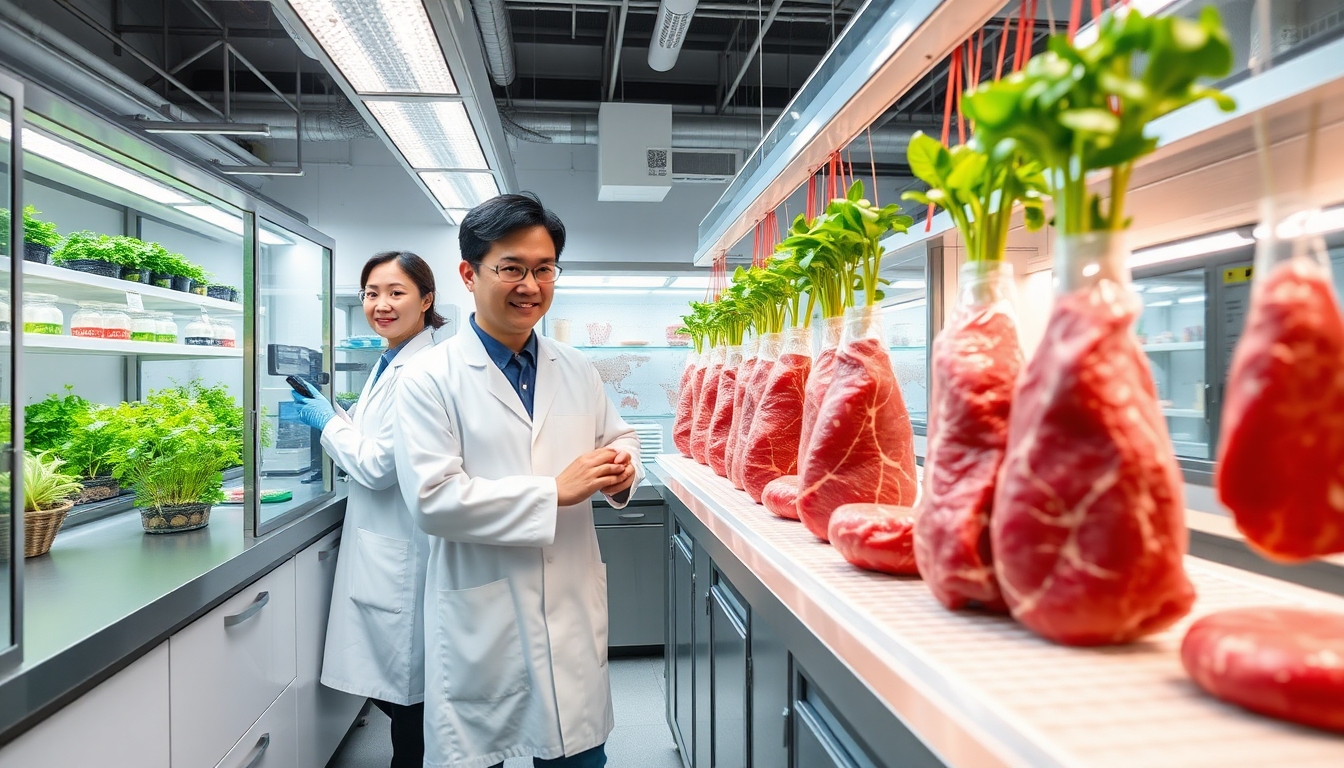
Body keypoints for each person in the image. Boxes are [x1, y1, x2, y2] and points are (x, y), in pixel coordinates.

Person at [393, 193, 642, 768]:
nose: (530, 285)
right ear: (469, 274)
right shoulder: (429, 377)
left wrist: (621, 468)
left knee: (577, 756)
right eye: (511, 268)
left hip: (570, 604)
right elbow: (433, 500)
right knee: (483, 750)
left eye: (544, 269)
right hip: (484, 615)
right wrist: (554, 492)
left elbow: (619, 436)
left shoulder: (576, 367)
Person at [290, 250, 446, 768]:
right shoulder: (391, 360)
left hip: (401, 548)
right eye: (372, 293)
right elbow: (368, 434)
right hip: (384, 544)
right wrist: (334, 413)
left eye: (397, 292)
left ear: (426, 300)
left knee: (409, 695)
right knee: (401, 692)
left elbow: (378, 464)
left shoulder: (419, 370)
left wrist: (327, 422)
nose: (382, 304)